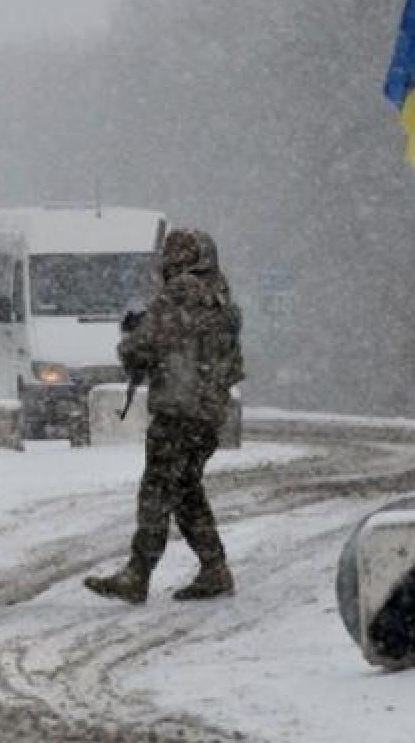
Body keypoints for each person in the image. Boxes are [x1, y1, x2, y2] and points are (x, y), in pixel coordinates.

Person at [83, 228, 245, 604]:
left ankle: (137, 574)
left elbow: (142, 347)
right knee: (186, 491)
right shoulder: (222, 299)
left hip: (177, 411)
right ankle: (214, 567)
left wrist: (134, 335)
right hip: (208, 415)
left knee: (156, 491)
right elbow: (229, 365)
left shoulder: (179, 295)